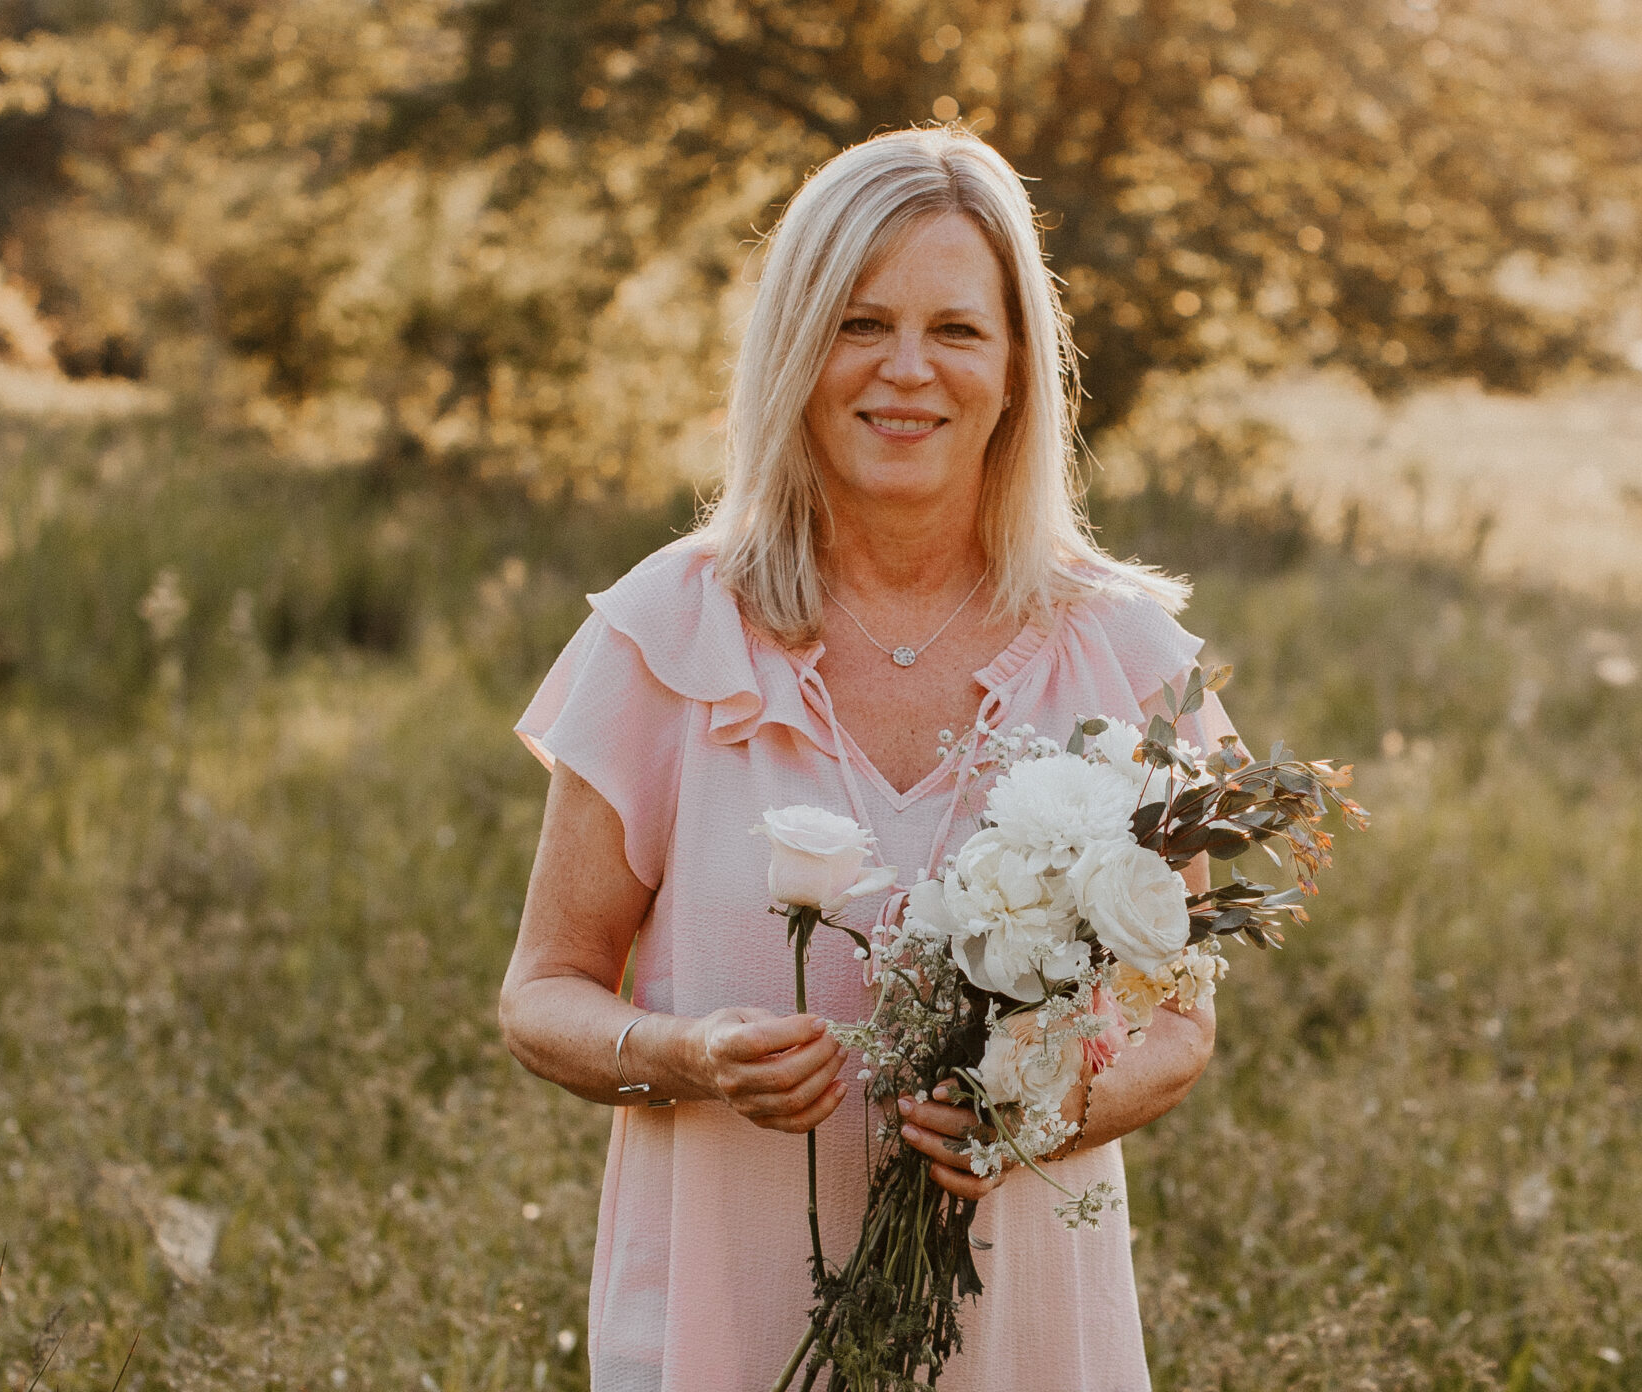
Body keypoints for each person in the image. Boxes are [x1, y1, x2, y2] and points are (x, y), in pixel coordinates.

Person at [497, 125, 1240, 1392]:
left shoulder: (1120, 654)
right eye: (857, 323)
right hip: (731, 1320)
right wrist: (684, 1053)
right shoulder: (667, 632)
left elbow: (1178, 1025)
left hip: (1020, 1330)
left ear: (1015, 369)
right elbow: (543, 990)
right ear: (793, 352)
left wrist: (1042, 1111)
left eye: (955, 329)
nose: (907, 372)